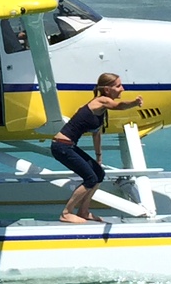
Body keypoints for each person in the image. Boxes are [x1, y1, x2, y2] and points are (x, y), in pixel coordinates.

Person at [52, 72, 143, 224]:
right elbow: (119, 106)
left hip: (68, 146)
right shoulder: (101, 101)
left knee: (99, 174)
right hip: (61, 146)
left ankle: (83, 211)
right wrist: (134, 103)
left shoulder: (101, 109)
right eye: (118, 86)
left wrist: (99, 157)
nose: (122, 89)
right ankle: (66, 213)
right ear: (107, 89)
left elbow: (97, 134)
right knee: (90, 178)